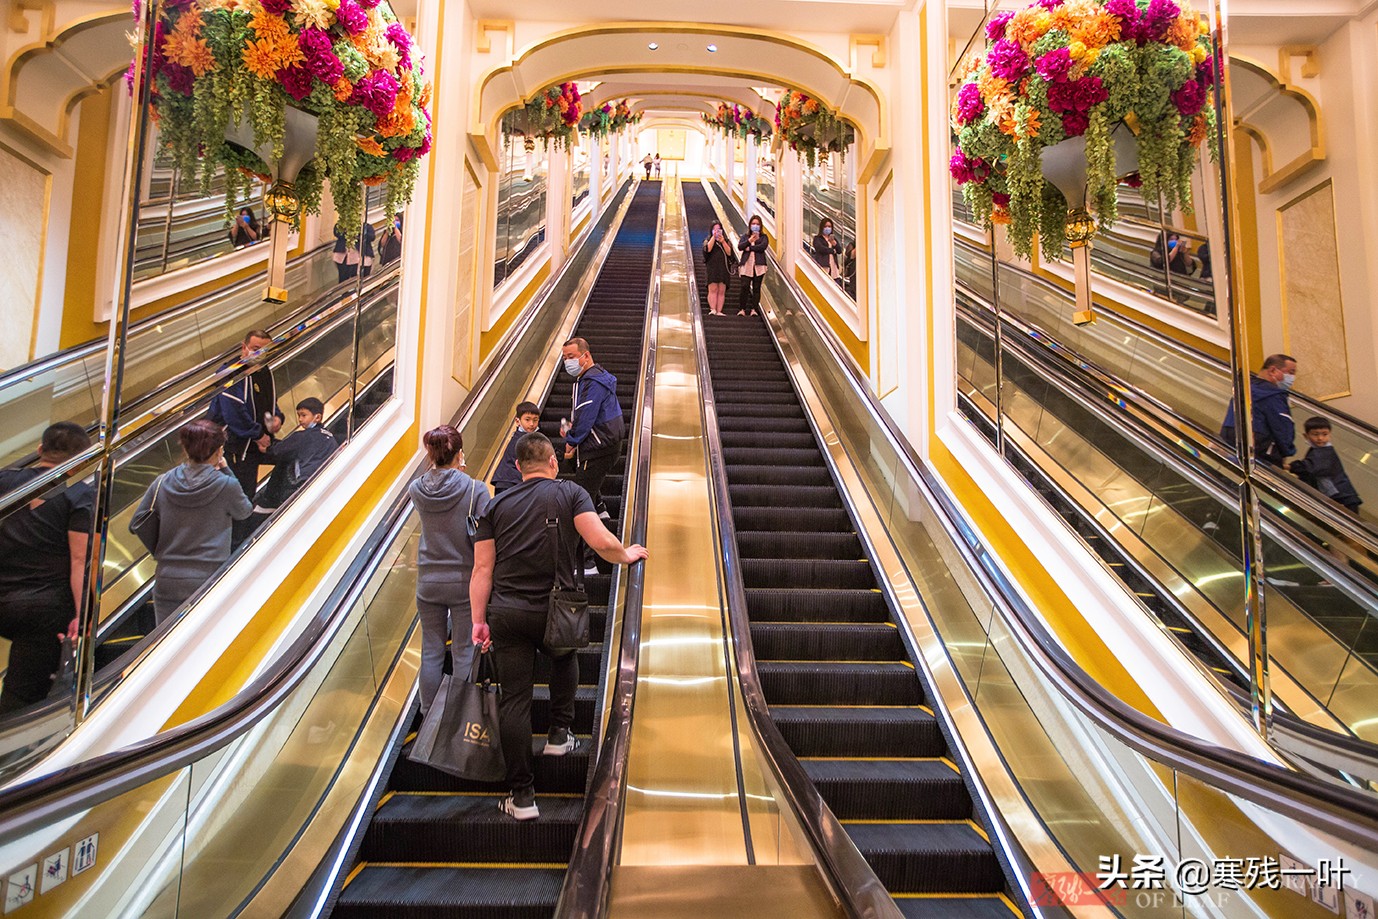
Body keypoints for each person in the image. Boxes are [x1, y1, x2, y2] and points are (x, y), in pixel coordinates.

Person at [469, 433, 647, 820]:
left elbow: (482, 569)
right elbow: (599, 539)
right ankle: (558, 736)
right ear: (553, 462)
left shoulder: (495, 505)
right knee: (564, 659)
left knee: (513, 699)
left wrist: (478, 621)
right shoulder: (571, 493)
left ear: (517, 468)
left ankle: (522, 796)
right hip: (558, 606)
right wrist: (627, 554)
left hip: (507, 611)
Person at [0, 423, 93, 714]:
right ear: (82, 460)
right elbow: (81, 561)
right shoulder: (79, 495)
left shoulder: (4, 480)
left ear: (40, 450)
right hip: (44, 610)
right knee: (20, 697)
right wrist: (84, 616)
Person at [133, 420, 253, 624]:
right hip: (208, 577)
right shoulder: (226, 485)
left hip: (167, 577)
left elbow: (138, 520)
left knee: (166, 645)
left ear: (186, 449)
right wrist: (225, 470)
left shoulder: (162, 481)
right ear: (219, 451)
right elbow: (244, 511)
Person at [410, 425, 490, 716]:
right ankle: (456, 718)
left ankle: (430, 715)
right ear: (459, 453)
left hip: (427, 579)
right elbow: (487, 532)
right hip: (463, 581)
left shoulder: (416, 488)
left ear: (431, 454)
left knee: (430, 650)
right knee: (462, 651)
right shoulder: (474, 489)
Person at [208, 329, 284, 548]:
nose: (260, 354)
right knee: (241, 494)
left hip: (256, 441)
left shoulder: (262, 371)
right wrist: (259, 436)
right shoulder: (232, 375)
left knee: (287, 455)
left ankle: (266, 505)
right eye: (256, 349)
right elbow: (234, 415)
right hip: (234, 447)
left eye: (265, 350)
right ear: (244, 348)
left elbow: (269, 402)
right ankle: (236, 544)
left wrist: (276, 418)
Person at [559, 338, 625, 534]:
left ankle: (587, 559)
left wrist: (571, 441)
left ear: (585, 356)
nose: (567, 362)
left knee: (581, 502)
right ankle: (602, 511)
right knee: (586, 484)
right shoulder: (597, 378)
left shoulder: (591, 381)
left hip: (597, 447)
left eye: (571, 357)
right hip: (607, 443)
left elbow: (587, 413)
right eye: (564, 358)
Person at [245, 397, 338, 533]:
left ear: (317, 417)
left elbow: (277, 451)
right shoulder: (331, 438)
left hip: (297, 485)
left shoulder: (303, 436)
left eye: (304, 415)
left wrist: (264, 447)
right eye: (299, 415)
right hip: (320, 484)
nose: (300, 420)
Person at [1220, 353, 1297, 467]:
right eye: (1290, 372)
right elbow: (1282, 428)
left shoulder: (1243, 389)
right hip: (1261, 452)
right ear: (1272, 370)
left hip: (1231, 442)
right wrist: (1288, 451)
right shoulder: (1273, 395)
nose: (1292, 378)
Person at [1290, 416, 1362, 513]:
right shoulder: (1315, 450)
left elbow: (1312, 468)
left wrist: (1290, 466)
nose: (1320, 438)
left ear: (1330, 435)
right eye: (1315, 434)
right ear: (1306, 436)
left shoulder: (1326, 451)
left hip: (1343, 499)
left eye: (1325, 434)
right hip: (1340, 497)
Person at [492, 401, 542, 495]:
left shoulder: (521, 436)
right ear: (517, 421)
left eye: (535, 420)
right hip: (509, 483)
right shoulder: (523, 440)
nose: (531, 424)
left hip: (506, 481)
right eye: (527, 420)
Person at [736, 216, 769, 316]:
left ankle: (754, 309)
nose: (755, 226)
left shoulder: (763, 237)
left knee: (756, 287)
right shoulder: (746, 237)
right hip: (747, 264)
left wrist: (750, 248)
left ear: (760, 226)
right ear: (750, 225)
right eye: (753, 224)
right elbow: (740, 247)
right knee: (744, 286)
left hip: (759, 266)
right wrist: (750, 240)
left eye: (757, 224)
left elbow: (762, 247)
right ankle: (742, 309)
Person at [702, 221, 734, 316]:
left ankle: (719, 310)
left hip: (723, 267)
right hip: (712, 267)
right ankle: (713, 309)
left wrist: (723, 241)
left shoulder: (726, 241)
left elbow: (729, 253)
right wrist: (713, 238)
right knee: (713, 288)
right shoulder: (707, 240)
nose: (717, 231)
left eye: (718, 229)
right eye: (714, 229)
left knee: (721, 290)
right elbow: (707, 250)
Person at [812, 217, 844, 286]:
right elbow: (821, 249)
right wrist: (832, 250)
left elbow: (839, 251)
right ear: (822, 227)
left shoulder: (833, 239)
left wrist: (834, 244)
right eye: (825, 226)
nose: (827, 228)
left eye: (829, 226)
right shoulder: (818, 239)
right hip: (824, 266)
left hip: (833, 267)